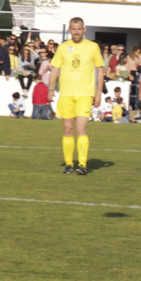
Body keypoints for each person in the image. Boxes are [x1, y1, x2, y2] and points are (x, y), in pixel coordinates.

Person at [49, 17, 103, 175]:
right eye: (73, 29)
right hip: (66, 94)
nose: (76, 31)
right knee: (67, 129)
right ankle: (68, 164)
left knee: (81, 129)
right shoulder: (63, 48)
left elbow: (100, 70)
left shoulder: (93, 47)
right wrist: (50, 88)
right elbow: (54, 69)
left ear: (84, 30)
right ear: (69, 30)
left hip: (85, 94)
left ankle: (82, 164)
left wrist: (98, 93)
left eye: (79, 29)